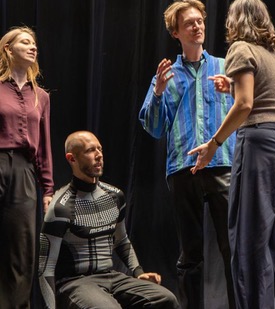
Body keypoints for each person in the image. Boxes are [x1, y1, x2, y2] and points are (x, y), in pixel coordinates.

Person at [189, 0, 275, 309]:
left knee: (250, 239)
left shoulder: (241, 48)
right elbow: (266, 93)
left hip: (259, 143)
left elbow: (246, 105)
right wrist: (233, 86)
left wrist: (214, 144)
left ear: (236, 20)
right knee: (273, 239)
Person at [139, 0, 238, 309]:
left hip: (223, 163)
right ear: (175, 33)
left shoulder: (225, 66)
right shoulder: (166, 77)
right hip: (184, 169)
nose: (197, 27)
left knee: (232, 248)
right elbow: (154, 128)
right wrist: (157, 93)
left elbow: (249, 104)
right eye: (188, 24)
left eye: (199, 21)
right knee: (190, 252)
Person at [38, 130, 179, 309]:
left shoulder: (114, 196)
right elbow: (45, 267)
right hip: (74, 282)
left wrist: (138, 272)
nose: (99, 155)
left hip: (110, 277)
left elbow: (122, 241)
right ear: (71, 158)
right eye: (90, 150)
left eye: (100, 149)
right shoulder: (60, 207)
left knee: (165, 299)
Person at [0, 26, 54, 309]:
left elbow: (44, 146)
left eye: (34, 43)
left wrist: (48, 189)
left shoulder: (41, 97)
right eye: (25, 42)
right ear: (8, 49)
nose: (33, 47)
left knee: (21, 248)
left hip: (24, 171)